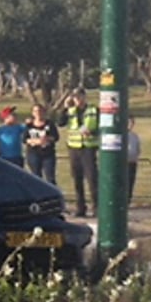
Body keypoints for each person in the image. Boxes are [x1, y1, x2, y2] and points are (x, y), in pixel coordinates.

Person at [65, 88, 98, 217]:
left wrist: (92, 133)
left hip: (88, 147)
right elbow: (61, 122)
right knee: (77, 179)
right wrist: (65, 108)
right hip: (74, 147)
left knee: (92, 178)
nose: (77, 100)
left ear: (84, 97)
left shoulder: (93, 110)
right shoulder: (70, 111)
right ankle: (80, 207)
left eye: (79, 97)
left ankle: (96, 207)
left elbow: (101, 127)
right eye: (75, 97)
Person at [24, 103, 59, 184]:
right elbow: (24, 139)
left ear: (44, 112)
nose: (38, 113)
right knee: (36, 177)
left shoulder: (49, 124)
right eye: (35, 111)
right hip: (33, 154)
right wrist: (35, 141)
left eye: (40, 111)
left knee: (50, 178)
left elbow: (56, 137)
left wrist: (47, 139)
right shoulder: (29, 125)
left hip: (48, 154)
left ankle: (52, 195)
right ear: (32, 113)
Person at [126, 114, 142, 204]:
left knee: (130, 182)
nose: (130, 125)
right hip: (123, 162)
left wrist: (136, 156)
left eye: (131, 123)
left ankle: (128, 200)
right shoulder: (121, 135)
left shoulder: (135, 136)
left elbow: (138, 148)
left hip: (132, 162)